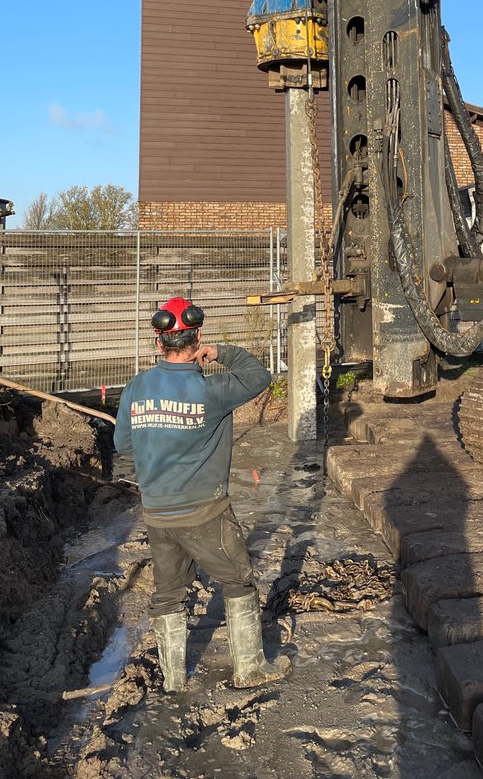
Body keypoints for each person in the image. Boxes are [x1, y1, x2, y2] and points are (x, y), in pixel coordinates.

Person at [114, 296, 288, 692]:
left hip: (157, 513)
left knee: (169, 595)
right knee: (239, 581)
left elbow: (124, 445)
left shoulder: (136, 387)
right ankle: (250, 668)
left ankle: (174, 681)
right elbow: (258, 375)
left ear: (159, 342)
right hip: (205, 511)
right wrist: (221, 352)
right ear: (198, 339)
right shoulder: (213, 389)